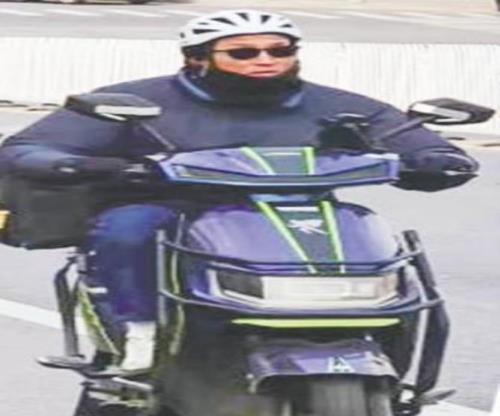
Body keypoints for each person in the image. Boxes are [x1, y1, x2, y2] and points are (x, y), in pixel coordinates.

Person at [0, 9, 478, 374]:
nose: (266, 60)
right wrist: (92, 166)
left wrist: (438, 161)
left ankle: (390, 341)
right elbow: (28, 148)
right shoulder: (139, 100)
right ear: (197, 59)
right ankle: (138, 331)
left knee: (368, 230)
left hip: (300, 209)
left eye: (279, 50)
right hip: (175, 206)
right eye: (244, 53)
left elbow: (415, 141)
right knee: (126, 228)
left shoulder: (337, 105)